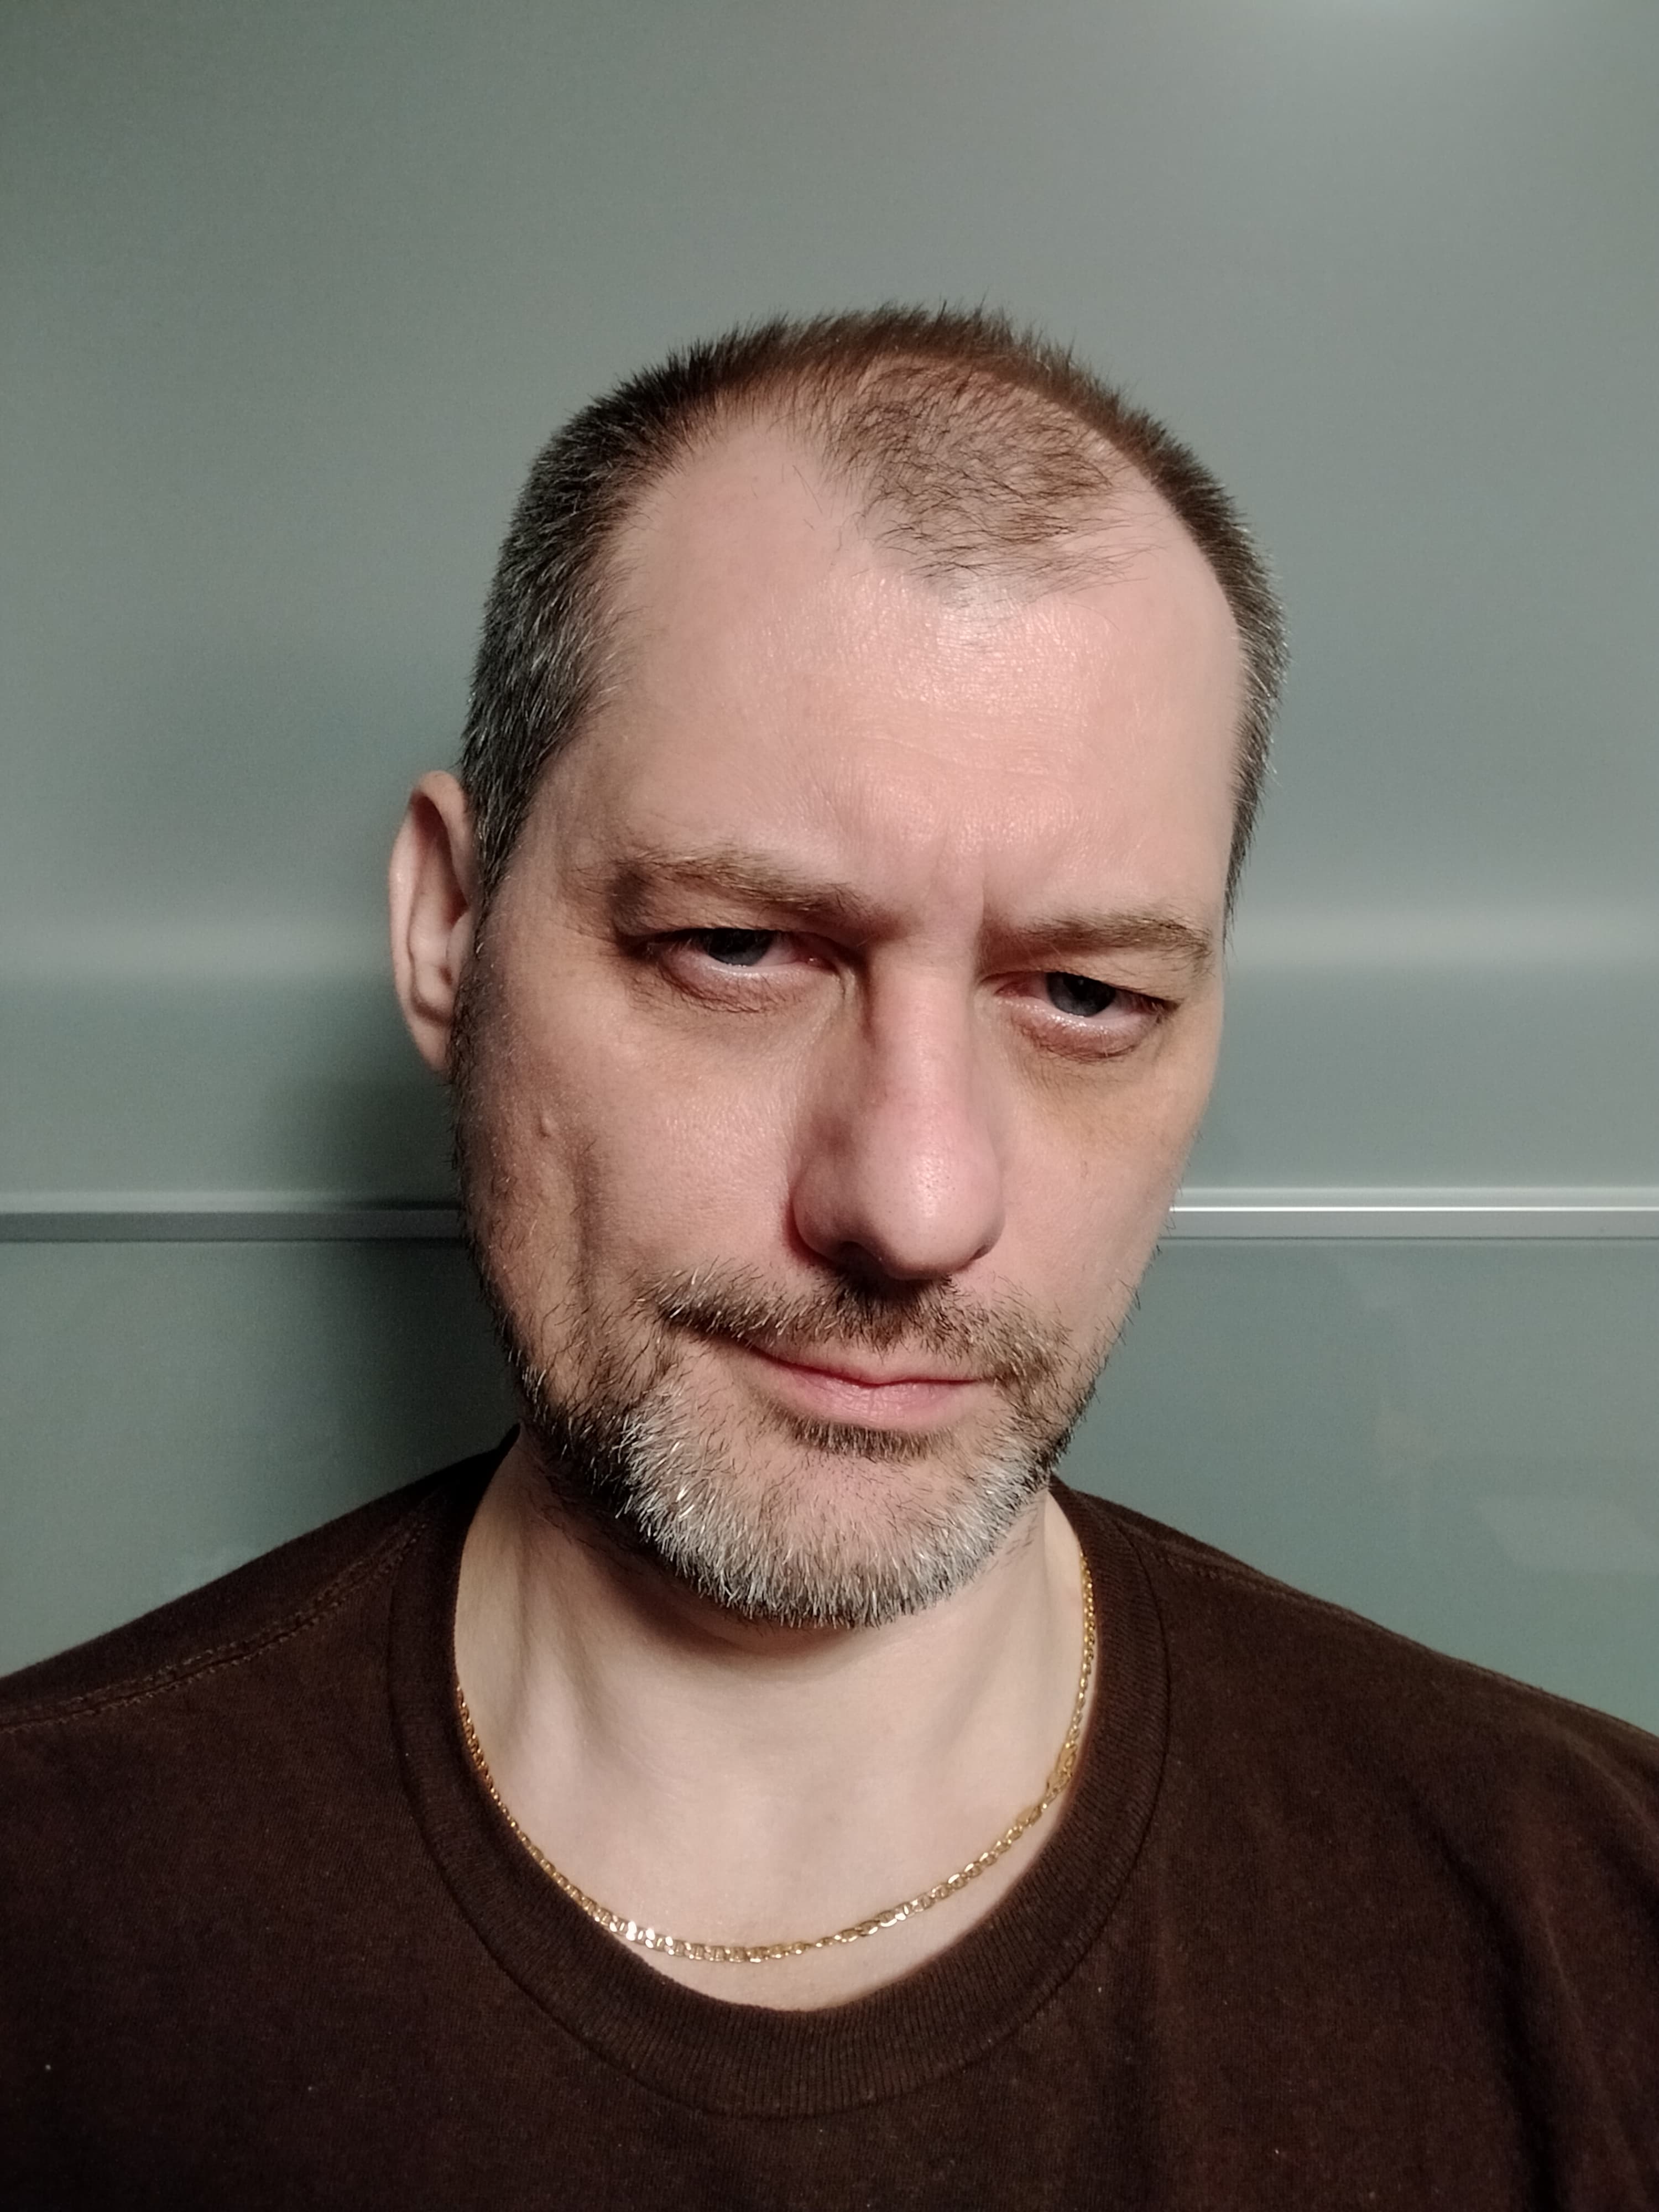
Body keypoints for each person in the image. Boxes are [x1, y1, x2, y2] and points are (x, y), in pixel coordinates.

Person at [2, 307, 1655, 2208]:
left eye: (1088, 993)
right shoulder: (51, 1916)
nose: (918, 1203)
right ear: (448, 932)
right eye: (738, 949)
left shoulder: (1598, 1940)